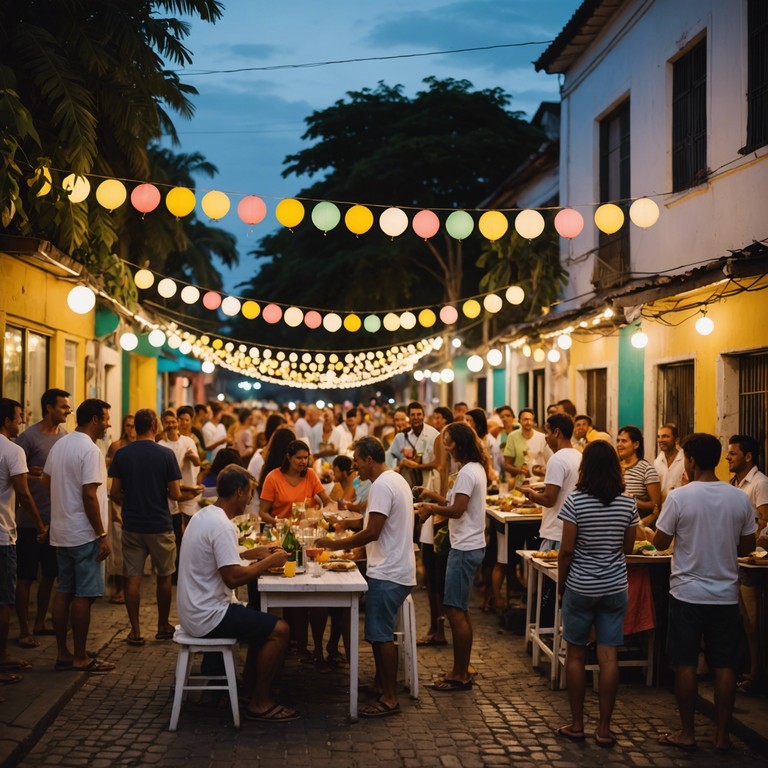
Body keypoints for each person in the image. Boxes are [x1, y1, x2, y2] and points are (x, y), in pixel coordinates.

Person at [654, 433, 756, 753]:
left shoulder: (680, 497)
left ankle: (687, 732)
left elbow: (659, 542)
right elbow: (748, 546)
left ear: (692, 461)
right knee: (725, 665)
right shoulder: (738, 497)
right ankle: (722, 735)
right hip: (725, 594)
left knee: (685, 664)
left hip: (686, 593)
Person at [176, 464, 299, 721]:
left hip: (194, 610)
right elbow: (232, 578)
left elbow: (221, 559)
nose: (251, 500)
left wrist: (252, 554)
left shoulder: (205, 515)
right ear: (239, 492)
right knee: (280, 630)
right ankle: (260, 702)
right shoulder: (223, 526)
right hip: (208, 615)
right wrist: (268, 562)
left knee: (259, 619)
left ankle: (247, 690)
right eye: (250, 493)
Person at [316, 437, 416, 717]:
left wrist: (334, 545)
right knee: (377, 633)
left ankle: (390, 698)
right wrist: (346, 523)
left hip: (389, 570)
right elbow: (375, 521)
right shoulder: (392, 480)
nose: (354, 466)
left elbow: (373, 531)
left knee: (380, 635)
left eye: (357, 460)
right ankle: (380, 684)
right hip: (394, 566)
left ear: (369, 460)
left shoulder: (383, 485)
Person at [555, 440, 639, 747]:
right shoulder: (628, 503)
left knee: (575, 654)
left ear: (585, 467)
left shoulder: (575, 502)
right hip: (615, 587)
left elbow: (565, 551)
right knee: (609, 656)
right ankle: (604, 729)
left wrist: (562, 587)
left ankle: (577, 724)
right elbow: (627, 548)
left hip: (580, 585)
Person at [43, 398, 115, 673]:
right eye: (106, 418)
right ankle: (81, 656)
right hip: (84, 533)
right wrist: (102, 534)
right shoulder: (91, 450)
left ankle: (63, 653)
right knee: (84, 596)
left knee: (64, 591)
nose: (108, 423)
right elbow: (89, 494)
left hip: (62, 531)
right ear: (95, 419)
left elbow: (46, 481)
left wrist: (62, 504)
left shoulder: (61, 444)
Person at [415, 422, 488, 691]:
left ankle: (460, 674)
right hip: (468, 543)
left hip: (464, 546)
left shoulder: (468, 472)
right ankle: (461, 668)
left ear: (456, 443)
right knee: (459, 609)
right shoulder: (473, 469)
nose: (444, 446)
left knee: (455, 610)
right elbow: (455, 503)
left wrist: (429, 509)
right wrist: (432, 498)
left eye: (446, 441)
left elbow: (457, 510)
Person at [108, 408, 189, 645]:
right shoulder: (165, 454)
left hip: (132, 524)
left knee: (132, 577)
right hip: (160, 524)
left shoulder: (122, 454)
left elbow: (114, 493)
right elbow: (175, 494)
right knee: (164, 575)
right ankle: (162, 625)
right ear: (155, 425)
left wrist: (130, 500)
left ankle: (135, 630)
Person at [14, 388, 70, 645]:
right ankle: (24, 629)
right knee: (26, 575)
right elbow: (14, 476)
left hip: (55, 519)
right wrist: (30, 474)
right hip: (28, 520)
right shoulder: (28, 438)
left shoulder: (65, 438)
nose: (67, 410)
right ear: (49, 407)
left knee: (50, 574)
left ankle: (40, 623)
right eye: (62, 406)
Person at [0, 398, 47, 680]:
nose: (21, 421)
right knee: (4, 600)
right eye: (18, 417)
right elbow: (23, 494)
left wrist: (28, 474)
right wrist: (40, 524)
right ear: (6, 421)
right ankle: (2, 657)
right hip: (3, 535)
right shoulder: (13, 450)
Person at [521, 414, 582, 624]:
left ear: (556, 432)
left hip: (556, 531)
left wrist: (529, 493)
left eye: (547, 431)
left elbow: (549, 498)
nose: (545, 437)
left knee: (549, 591)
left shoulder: (557, 459)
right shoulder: (579, 456)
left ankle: (546, 633)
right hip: (572, 530)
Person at [726, 434, 768, 695]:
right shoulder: (735, 484)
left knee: (754, 625)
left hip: (753, 561)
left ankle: (756, 674)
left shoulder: (760, 483)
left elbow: (764, 519)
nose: (728, 458)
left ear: (748, 456)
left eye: (733, 453)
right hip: (739, 561)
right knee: (744, 623)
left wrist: (749, 543)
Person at [158, 409, 202, 577]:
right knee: (176, 534)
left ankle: (188, 567)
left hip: (189, 492)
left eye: (173, 422)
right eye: (167, 422)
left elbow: (199, 462)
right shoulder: (161, 446)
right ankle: (176, 569)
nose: (171, 425)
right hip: (170, 495)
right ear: (163, 424)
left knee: (189, 531)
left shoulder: (188, 441)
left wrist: (192, 458)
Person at [258, 439, 331, 525]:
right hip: (282, 531)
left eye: (305, 457)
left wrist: (321, 513)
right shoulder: (273, 478)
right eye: (299, 458)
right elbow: (263, 512)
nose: (303, 461)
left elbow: (327, 501)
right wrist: (279, 523)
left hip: (307, 530)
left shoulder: (310, 474)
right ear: (289, 457)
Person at [105, 414, 136, 604]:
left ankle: (127, 588)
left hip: (132, 502)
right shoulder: (117, 446)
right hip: (117, 500)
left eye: (133, 426)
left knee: (128, 549)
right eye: (128, 426)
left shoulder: (140, 447)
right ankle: (118, 588)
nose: (131, 429)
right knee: (116, 547)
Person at [616, 425, 662, 527]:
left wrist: (630, 500)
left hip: (638, 527)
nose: (619, 444)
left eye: (624, 441)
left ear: (636, 444)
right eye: (618, 441)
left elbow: (655, 505)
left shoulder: (647, 469)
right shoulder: (613, 468)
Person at [388, 401, 440, 490]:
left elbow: (439, 462)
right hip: (408, 485)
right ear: (408, 417)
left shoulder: (434, 434)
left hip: (430, 484)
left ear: (423, 416)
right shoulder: (403, 436)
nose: (416, 417)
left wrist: (417, 466)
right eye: (413, 415)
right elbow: (391, 459)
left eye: (419, 414)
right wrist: (402, 464)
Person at [503, 408, 551, 484]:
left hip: (540, 482)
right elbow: (506, 465)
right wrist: (518, 470)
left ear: (533, 421)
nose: (528, 422)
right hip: (521, 482)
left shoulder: (542, 438)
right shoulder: (512, 437)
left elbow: (550, 462)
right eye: (525, 419)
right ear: (519, 421)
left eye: (530, 419)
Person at [654, 423, 685, 501]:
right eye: (659, 437)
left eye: (665, 436)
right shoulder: (656, 462)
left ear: (676, 440)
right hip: (663, 509)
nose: (660, 440)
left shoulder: (685, 460)